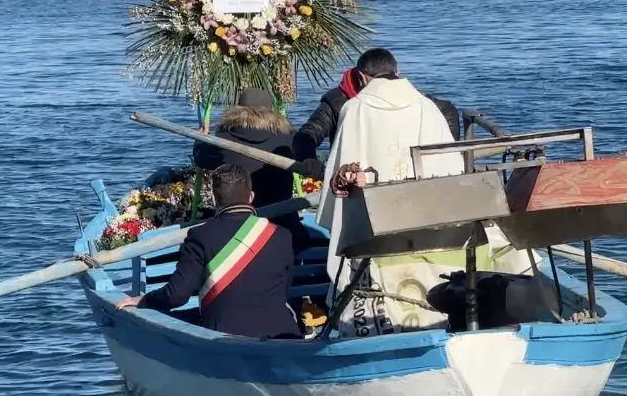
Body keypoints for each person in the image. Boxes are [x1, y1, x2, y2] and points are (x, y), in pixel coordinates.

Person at [314, 55, 470, 338]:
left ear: (361, 77)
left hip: (374, 227)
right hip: (426, 221)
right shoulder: (428, 108)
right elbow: (450, 167)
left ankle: (371, 325)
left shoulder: (355, 109)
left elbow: (341, 170)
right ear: (397, 72)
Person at [115, 163, 301, 340]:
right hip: (284, 335)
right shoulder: (282, 235)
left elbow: (176, 295)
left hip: (225, 337)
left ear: (213, 199)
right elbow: (283, 289)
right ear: (251, 197)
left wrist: (145, 300)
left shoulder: (200, 236)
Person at [292, 49, 460, 180]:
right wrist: (313, 164)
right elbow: (307, 135)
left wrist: (446, 144)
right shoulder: (339, 102)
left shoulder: (413, 97)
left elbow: (445, 109)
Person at [193, 88, 315, 253]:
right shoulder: (288, 138)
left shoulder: (223, 140)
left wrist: (200, 140)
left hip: (237, 230)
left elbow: (202, 159)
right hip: (284, 225)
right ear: (271, 111)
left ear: (238, 110)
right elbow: (306, 157)